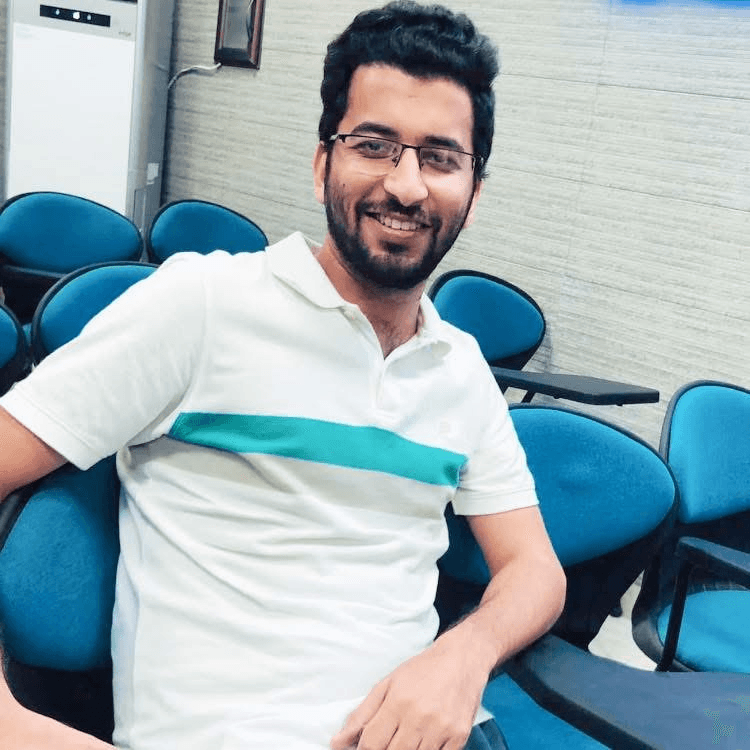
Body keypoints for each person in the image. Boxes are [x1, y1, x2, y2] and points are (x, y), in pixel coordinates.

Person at [0, 2, 566, 749]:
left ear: (474, 190)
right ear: (322, 161)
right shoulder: (203, 305)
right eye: (375, 145)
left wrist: (464, 656)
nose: (406, 186)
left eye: (439, 158)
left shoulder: (459, 366)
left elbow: (535, 570)